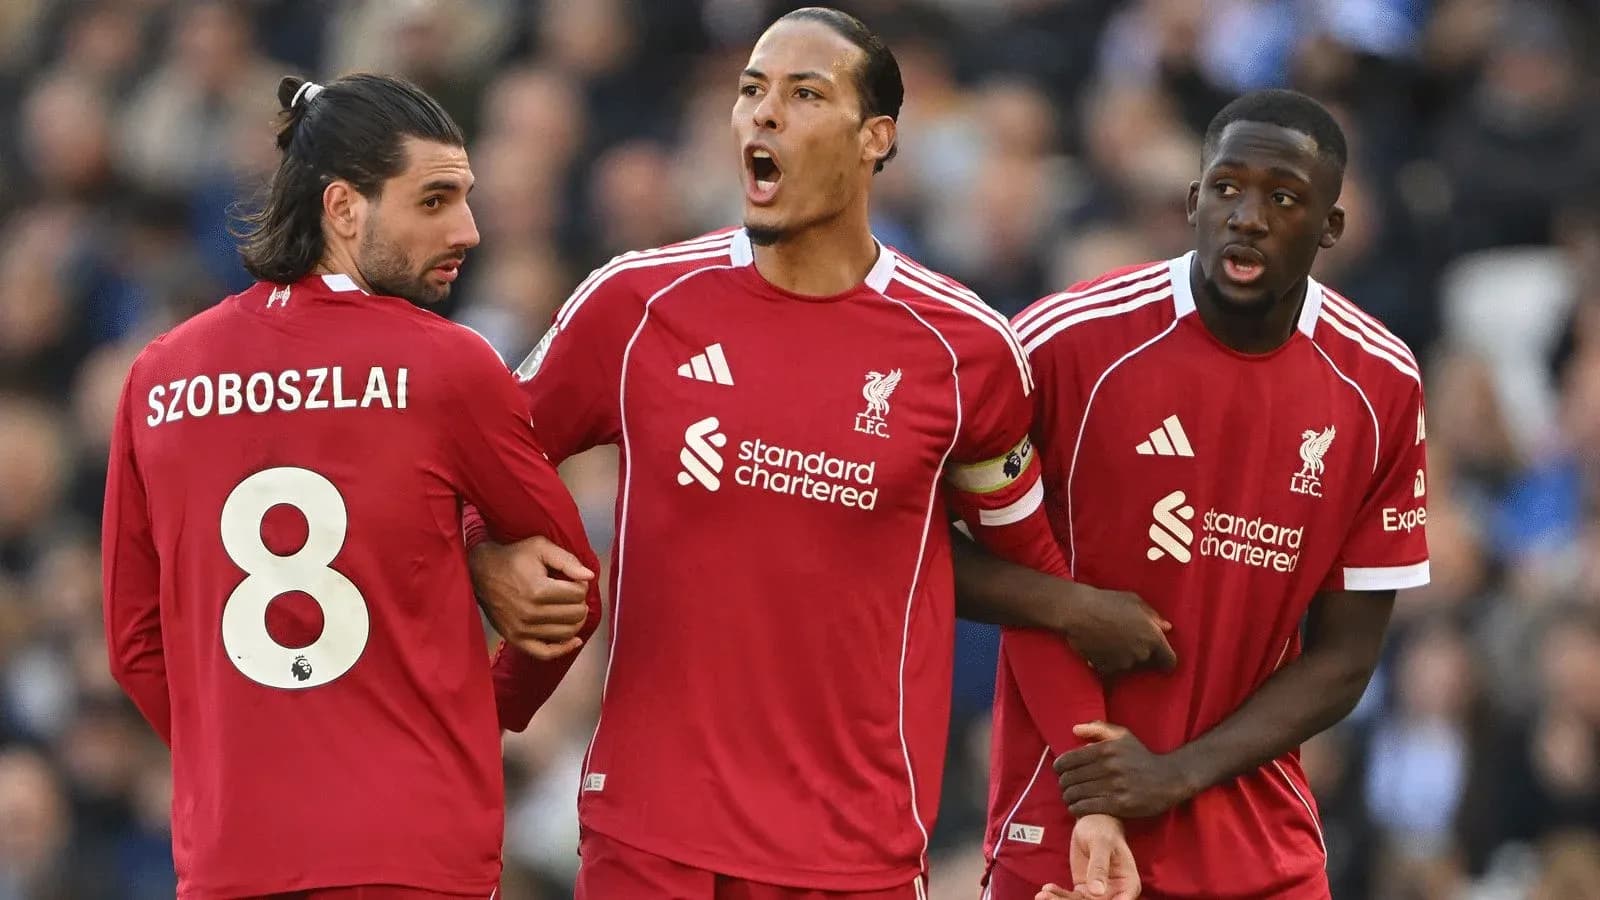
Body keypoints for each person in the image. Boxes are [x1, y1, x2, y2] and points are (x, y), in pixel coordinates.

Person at [475, 8, 1171, 899]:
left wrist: (1095, 807)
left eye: (805, 95)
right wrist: (483, 557)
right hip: (648, 836)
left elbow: (1035, 576)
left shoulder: (965, 351)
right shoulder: (634, 304)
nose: (764, 114)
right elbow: (477, 468)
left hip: (854, 850)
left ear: (876, 138)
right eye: (751, 92)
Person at [101, 73, 602, 898]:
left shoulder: (157, 377)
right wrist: (482, 714)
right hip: (412, 848)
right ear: (343, 208)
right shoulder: (447, 365)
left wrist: (234, 760)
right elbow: (570, 591)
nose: (470, 229)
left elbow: (133, 642)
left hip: (235, 857)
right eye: (436, 201)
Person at [980, 89, 1432, 900]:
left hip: (1254, 835)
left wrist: (1175, 774)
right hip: (1068, 821)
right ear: (1194, 202)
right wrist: (1072, 608)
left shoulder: (1381, 384)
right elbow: (936, 545)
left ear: (1331, 227)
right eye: (1227, 189)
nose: (1247, 216)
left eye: (1284, 198)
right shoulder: (1063, 343)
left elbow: (1346, 658)